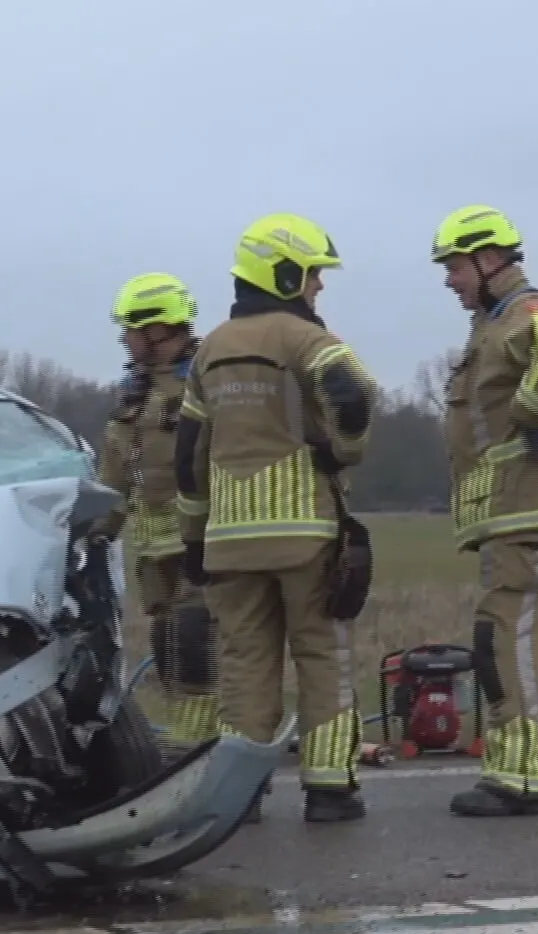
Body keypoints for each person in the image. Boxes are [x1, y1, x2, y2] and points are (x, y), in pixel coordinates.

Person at [173, 213, 380, 824]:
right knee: (322, 654)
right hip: (303, 532)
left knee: (244, 661)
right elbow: (354, 393)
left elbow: (189, 456)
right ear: (285, 273)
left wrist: (194, 536)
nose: (318, 287)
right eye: (314, 275)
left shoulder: (209, 348)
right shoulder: (305, 339)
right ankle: (329, 788)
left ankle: (242, 795)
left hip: (229, 540)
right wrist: (342, 450)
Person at [429, 204, 538, 816]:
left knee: (506, 640)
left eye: (454, 266)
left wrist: (531, 406)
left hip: (528, 507)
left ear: (489, 258)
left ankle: (513, 775)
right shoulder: (492, 324)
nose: (450, 279)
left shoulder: (528, 312)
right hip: (526, 510)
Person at [95, 273, 224, 753]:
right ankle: (190, 741)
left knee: (198, 642)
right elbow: (115, 474)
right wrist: (95, 531)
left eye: (131, 329)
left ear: (155, 329)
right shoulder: (134, 394)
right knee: (169, 644)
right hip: (154, 546)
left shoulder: (209, 379)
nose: (126, 339)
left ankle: (212, 750)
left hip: (204, 537)